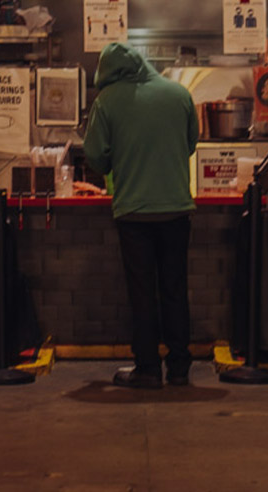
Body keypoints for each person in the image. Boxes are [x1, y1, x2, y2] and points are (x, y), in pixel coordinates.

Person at [82, 41, 200, 388]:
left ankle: (147, 368)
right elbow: (191, 142)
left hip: (134, 212)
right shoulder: (178, 94)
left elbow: (94, 156)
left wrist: (117, 161)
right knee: (176, 289)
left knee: (143, 292)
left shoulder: (106, 101)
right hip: (177, 208)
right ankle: (179, 368)